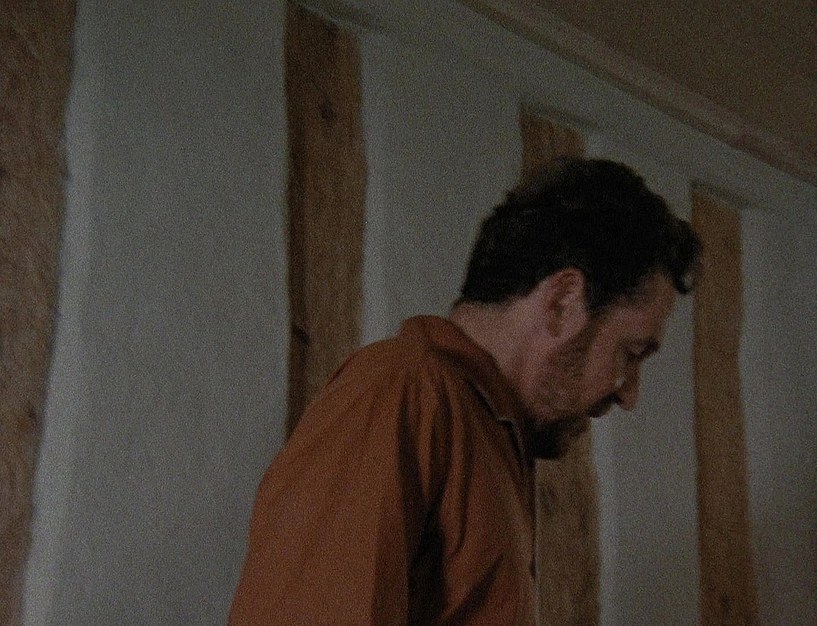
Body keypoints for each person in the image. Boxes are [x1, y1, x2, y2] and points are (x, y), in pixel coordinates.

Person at [228, 156, 702, 625]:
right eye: (630, 353)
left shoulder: (484, 429)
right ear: (561, 302)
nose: (628, 394)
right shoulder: (404, 390)